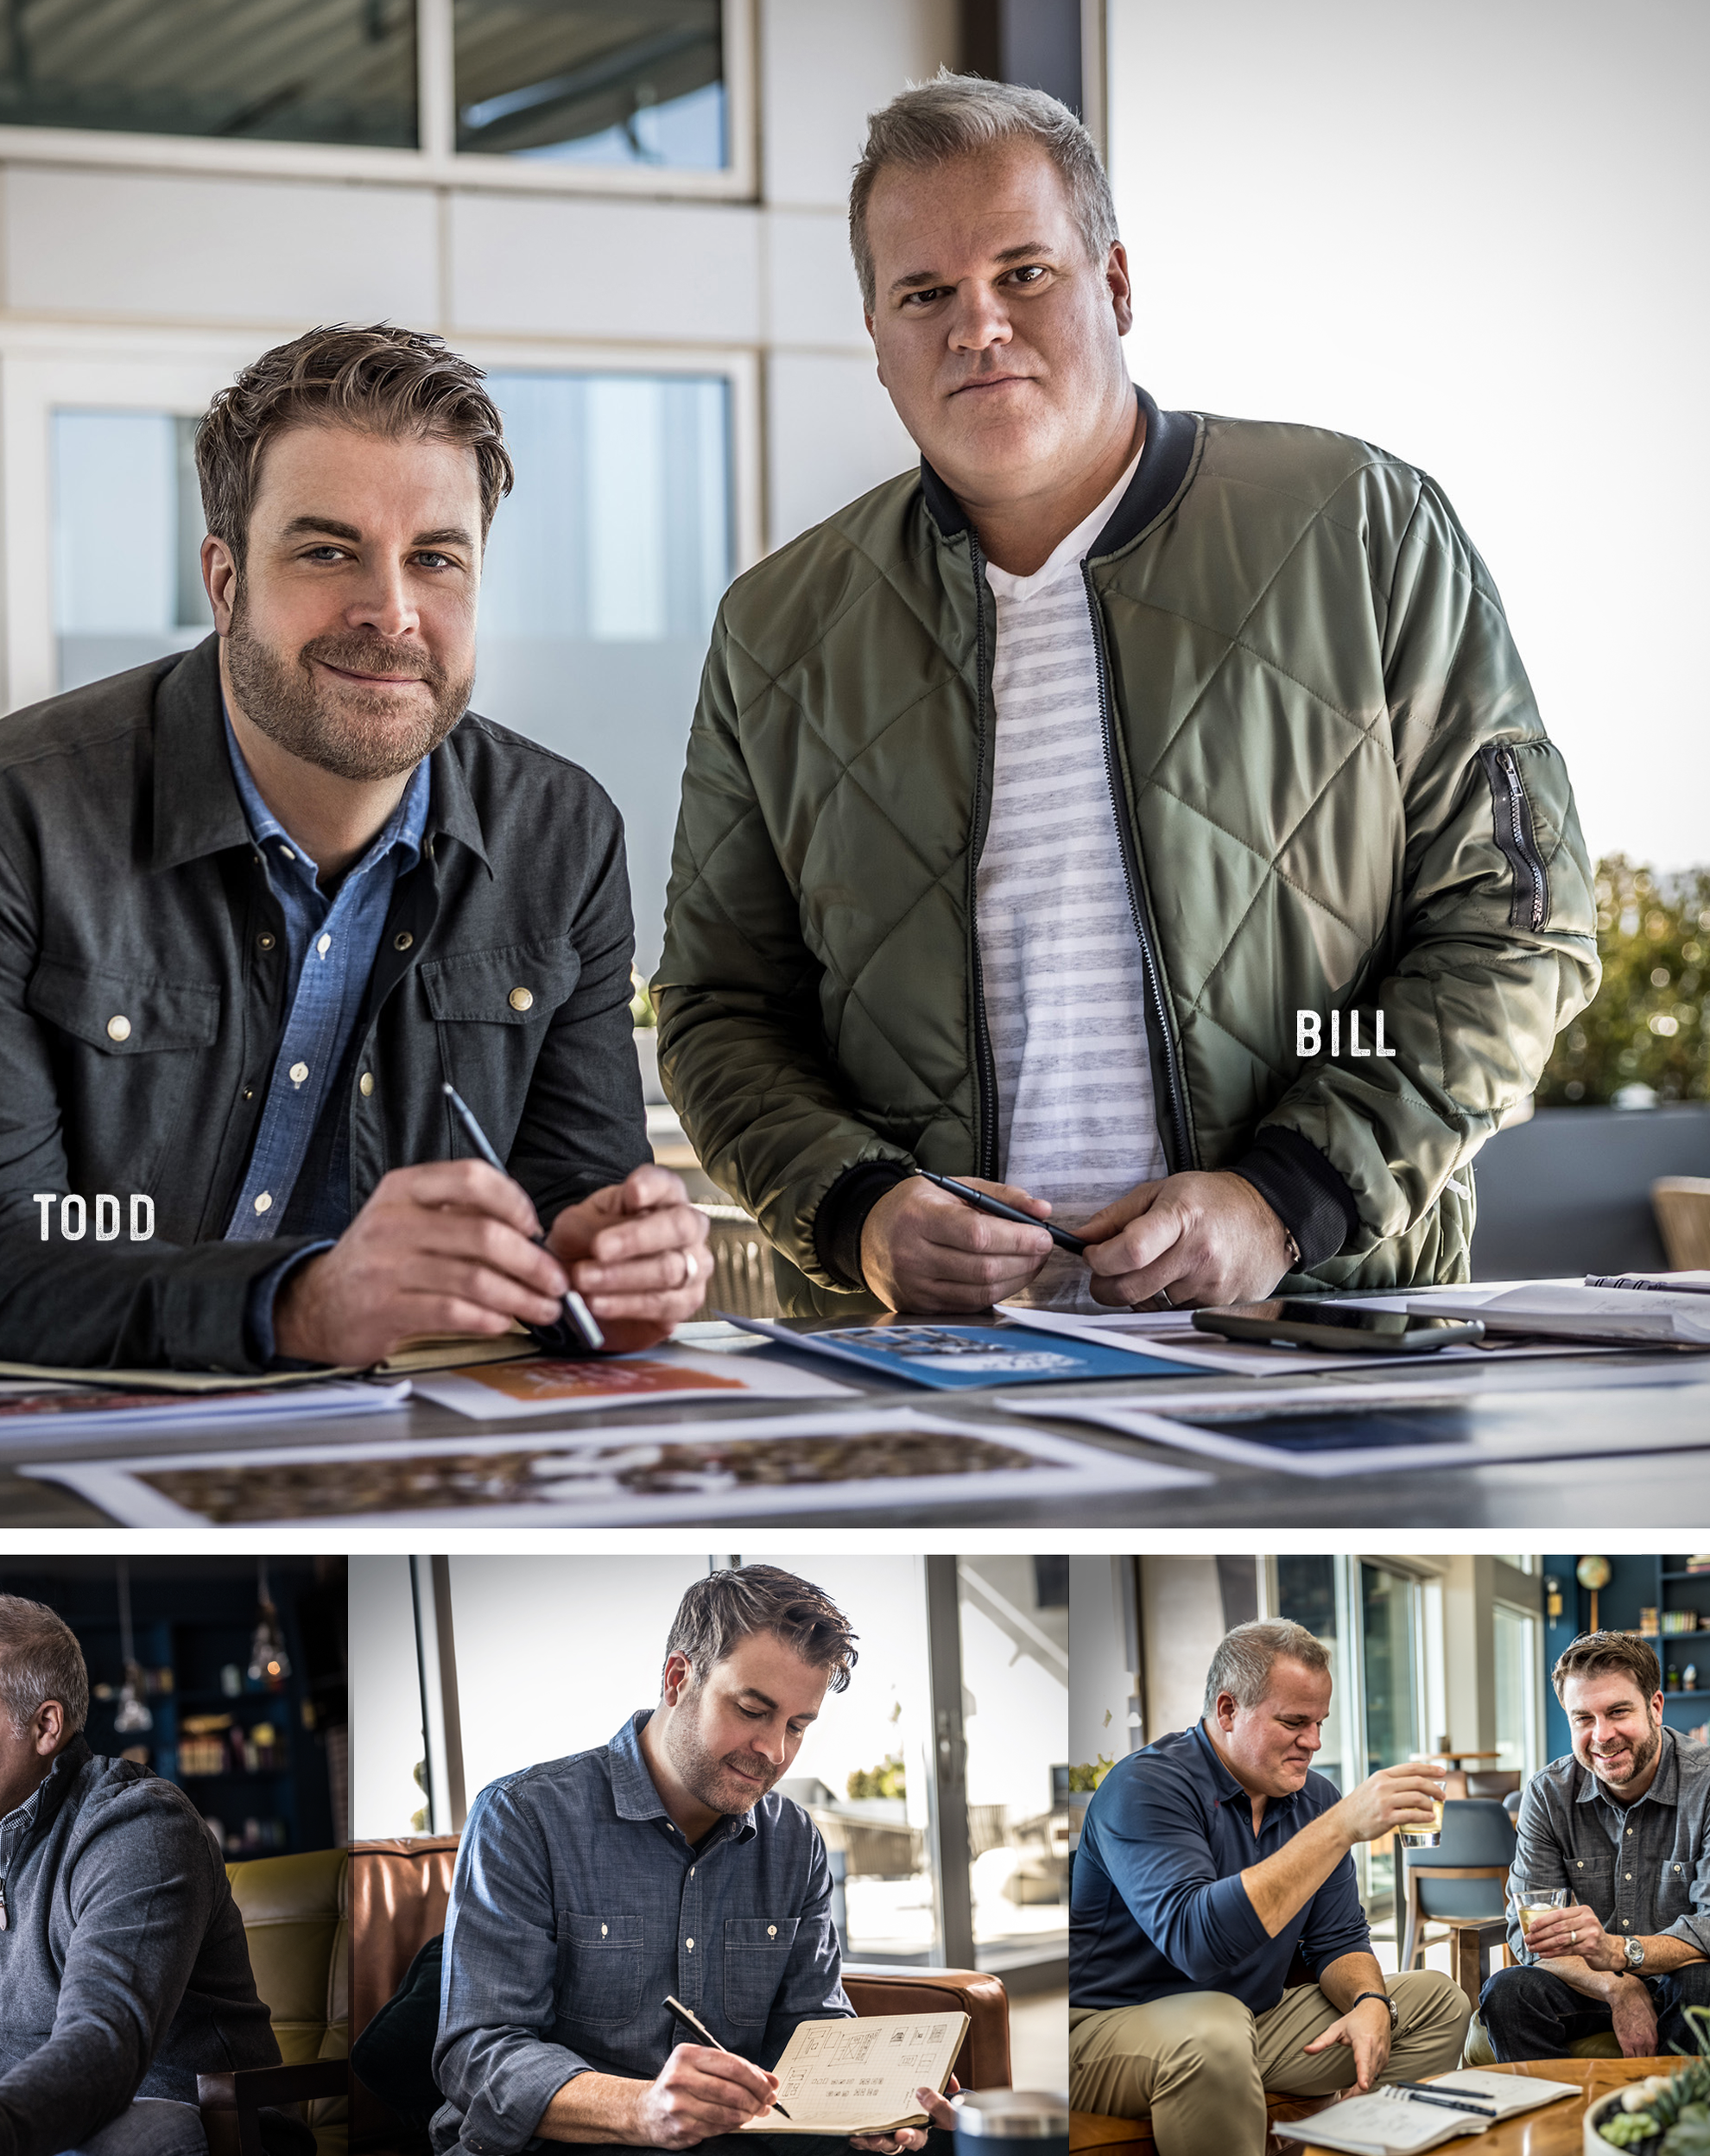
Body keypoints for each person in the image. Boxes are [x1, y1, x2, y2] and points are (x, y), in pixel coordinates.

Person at [655, 73, 1599, 1319]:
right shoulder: (776, 630)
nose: (977, 325)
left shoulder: (1360, 528)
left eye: (1023, 272)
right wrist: (857, 1210)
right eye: (924, 294)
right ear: (876, 337)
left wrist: (1286, 1199)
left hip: (1315, 1346)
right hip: (925, 1376)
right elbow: (722, 1010)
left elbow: (1515, 925)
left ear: (1113, 284)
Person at [0, 323, 708, 1381]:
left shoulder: (560, 837)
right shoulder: (9, 814)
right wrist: (302, 1303)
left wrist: (608, 1271)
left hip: (290, 1432)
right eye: (327, 552)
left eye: (435, 559)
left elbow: (574, 1200)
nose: (392, 612)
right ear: (226, 581)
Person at [432, 1566, 957, 2156]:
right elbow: (479, 2052)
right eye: (752, 1710)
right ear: (678, 1678)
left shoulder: (794, 1842)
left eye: (797, 1726)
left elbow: (812, 2029)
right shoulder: (523, 1817)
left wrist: (868, 2103)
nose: (774, 1751)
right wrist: (641, 2109)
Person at [0, 1595, 305, 2156]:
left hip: (206, 2125)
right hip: (47, 2130)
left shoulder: (141, 1828)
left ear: (44, 1725)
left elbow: (103, 2043)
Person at [1069, 1620, 1470, 2156]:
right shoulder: (1145, 1786)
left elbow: (1339, 1940)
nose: (1314, 1742)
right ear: (1228, 1710)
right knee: (1215, 2030)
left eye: (1320, 1722)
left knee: (1438, 2002)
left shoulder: (1315, 1798)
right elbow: (1195, 1943)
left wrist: (1371, 2000)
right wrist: (1340, 1827)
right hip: (1108, 2028)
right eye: (1294, 1722)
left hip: (1249, 2021)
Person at [1479, 1631, 1710, 2061]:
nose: (1602, 1735)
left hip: (1683, 1977)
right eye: (1583, 1718)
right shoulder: (1547, 1793)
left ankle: (1668, 2107)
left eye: (1617, 1711)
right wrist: (1618, 1986)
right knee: (1507, 1992)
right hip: (1588, 1983)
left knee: (1708, 1987)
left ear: (1655, 1707)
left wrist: (1618, 1952)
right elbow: (1531, 1936)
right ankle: (1560, 2106)